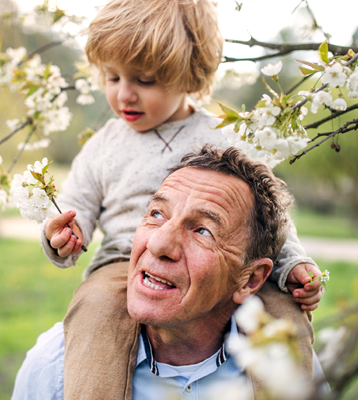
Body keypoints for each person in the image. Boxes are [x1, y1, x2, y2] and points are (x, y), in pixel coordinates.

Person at [41, 0, 325, 398]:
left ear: (189, 76)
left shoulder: (223, 135)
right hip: (125, 263)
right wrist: (65, 233)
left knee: (284, 313)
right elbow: (77, 207)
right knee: (95, 312)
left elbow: (268, 214)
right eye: (112, 77)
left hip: (222, 266)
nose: (124, 94)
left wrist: (291, 262)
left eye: (143, 80)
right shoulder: (103, 146)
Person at [16, 145, 328, 399]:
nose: (158, 243)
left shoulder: (290, 368)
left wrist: (296, 264)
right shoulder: (56, 366)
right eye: (155, 214)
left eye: (203, 231)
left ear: (251, 280)